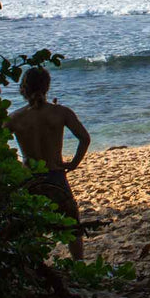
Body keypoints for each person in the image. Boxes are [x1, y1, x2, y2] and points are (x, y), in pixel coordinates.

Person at [6, 66, 91, 260]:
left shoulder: (14, 118)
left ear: (23, 89)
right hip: (55, 176)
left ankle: (32, 263)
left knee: (29, 225)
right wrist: (73, 164)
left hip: (30, 179)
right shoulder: (60, 113)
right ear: (47, 87)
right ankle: (78, 264)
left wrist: (14, 166)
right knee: (72, 225)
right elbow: (84, 139)